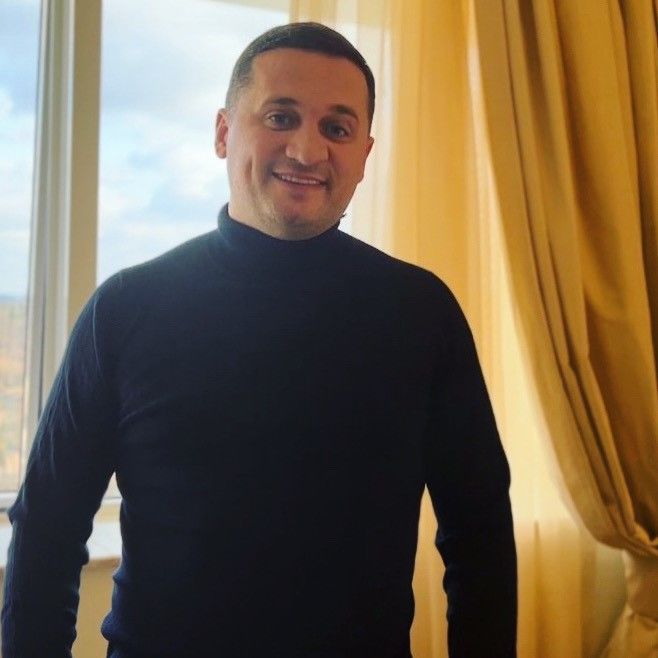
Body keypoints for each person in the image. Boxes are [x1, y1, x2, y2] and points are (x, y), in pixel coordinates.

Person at [2, 22, 517, 658]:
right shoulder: (126, 310)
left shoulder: (422, 314)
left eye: (337, 128)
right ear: (224, 132)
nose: (306, 149)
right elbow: (47, 528)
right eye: (280, 117)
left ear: (364, 154)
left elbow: (479, 530)